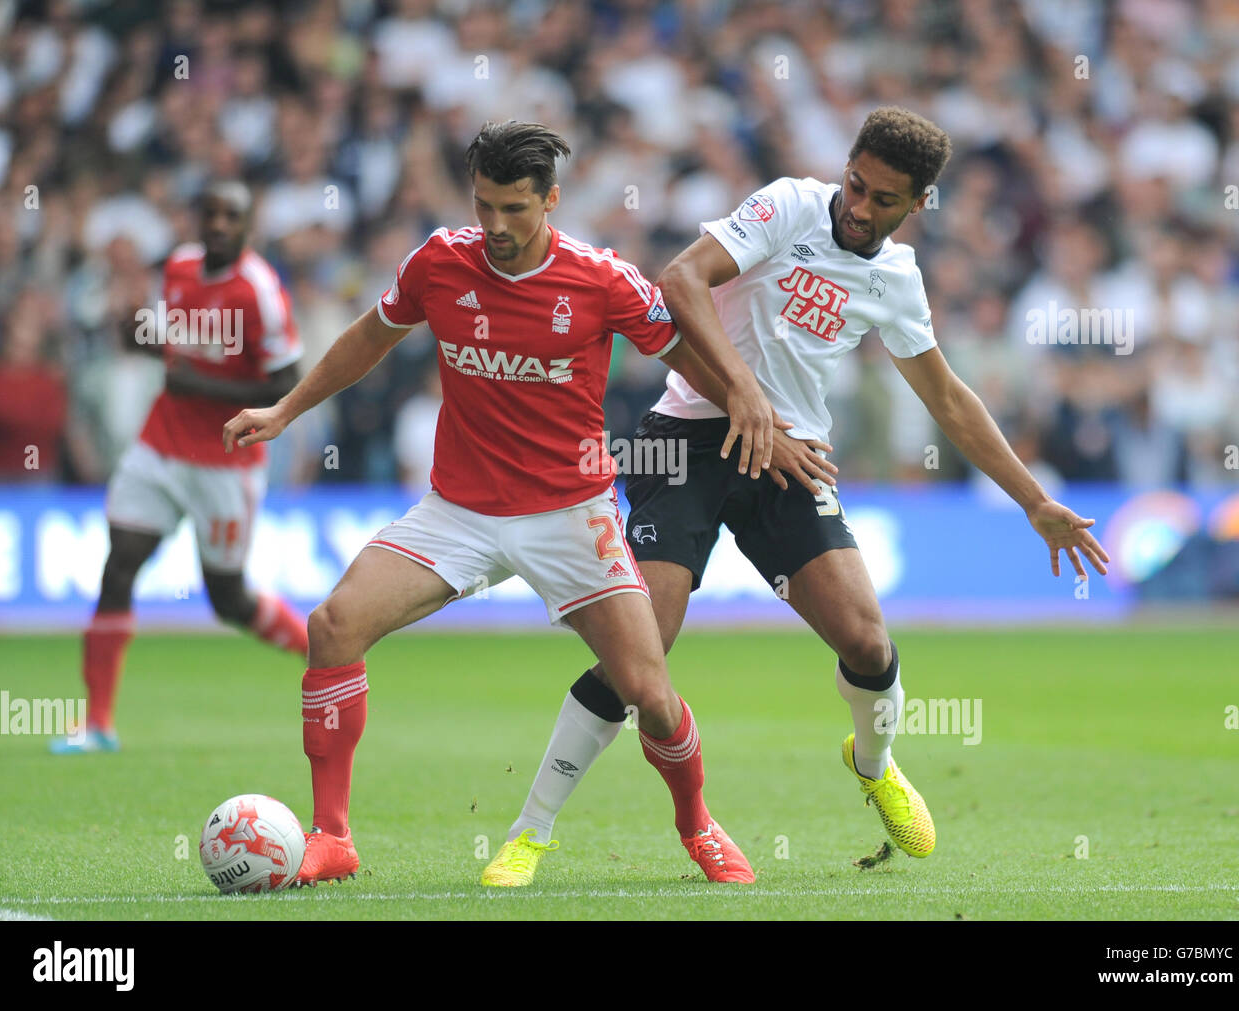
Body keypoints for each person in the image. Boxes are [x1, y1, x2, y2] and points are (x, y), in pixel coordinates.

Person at [488, 106, 1110, 884]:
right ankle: (530, 830)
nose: (860, 205)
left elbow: (948, 398)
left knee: (869, 644)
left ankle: (875, 763)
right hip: (683, 437)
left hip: (789, 460)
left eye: (885, 199)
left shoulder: (895, 279)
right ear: (844, 168)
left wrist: (1031, 500)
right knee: (641, 652)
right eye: (856, 184)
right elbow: (679, 279)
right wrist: (743, 392)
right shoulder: (786, 206)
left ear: (917, 206)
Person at [221, 121, 818, 886]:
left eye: (514, 210)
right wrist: (286, 410)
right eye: (484, 207)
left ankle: (696, 824)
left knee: (648, 691)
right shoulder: (440, 261)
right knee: (333, 626)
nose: (495, 227)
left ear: (551, 201)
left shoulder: (602, 280)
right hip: (459, 511)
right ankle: (332, 835)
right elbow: (369, 339)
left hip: (572, 513)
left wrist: (761, 414)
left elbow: (691, 357)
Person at [53, 180, 308, 754]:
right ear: (197, 219)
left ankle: (322, 654)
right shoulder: (180, 268)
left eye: (231, 217)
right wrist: (143, 336)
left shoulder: (261, 293)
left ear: (248, 226)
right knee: (119, 566)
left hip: (226, 461)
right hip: (160, 447)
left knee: (228, 599)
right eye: (210, 214)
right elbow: (178, 342)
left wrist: (200, 384)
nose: (218, 225)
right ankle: (97, 724)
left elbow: (286, 385)